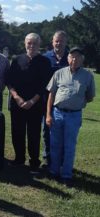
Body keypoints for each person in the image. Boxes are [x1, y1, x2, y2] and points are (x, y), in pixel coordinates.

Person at [46, 47, 95, 186]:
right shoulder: (58, 73)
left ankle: (66, 175)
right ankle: (54, 172)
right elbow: (51, 95)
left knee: (69, 146)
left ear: (82, 59)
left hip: (74, 116)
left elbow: (90, 96)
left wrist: (78, 101)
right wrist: (48, 115)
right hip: (57, 114)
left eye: (78, 57)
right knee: (55, 145)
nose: (74, 59)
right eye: (72, 56)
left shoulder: (88, 76)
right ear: (68, 58)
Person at [6, 33, 51, 173]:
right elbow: (9, 81)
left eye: (35, 43)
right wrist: (17, 98)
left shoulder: (44, 62)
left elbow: (44, 85)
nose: (31, 46)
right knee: (17, 132)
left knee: (33, 134)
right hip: (17, 103)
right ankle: (19, 159)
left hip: (35, 105)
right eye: (29, 43)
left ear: (39, 45)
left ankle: (34, 162)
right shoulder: (16, 59)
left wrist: (32, 101)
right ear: (25, 43)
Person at [42, 30, 69, 166]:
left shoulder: (70, 58)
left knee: (63, 132)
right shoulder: (45, 57)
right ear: (52, 42)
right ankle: (48, 157)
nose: (58, 43)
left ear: (66, 42)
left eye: (61, 41)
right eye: (56, 41)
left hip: (64, 101)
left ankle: (61, 159)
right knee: (46, 130)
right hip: (47, 100)